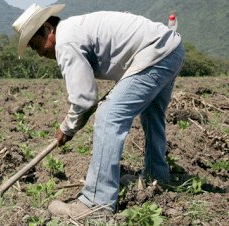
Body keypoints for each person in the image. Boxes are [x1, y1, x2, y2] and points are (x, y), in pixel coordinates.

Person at [12, 3, 185, 220]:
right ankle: (156, 176)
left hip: (155, 52)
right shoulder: (74, 29)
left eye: (36, 45)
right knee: (152, 114)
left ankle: (96, 202)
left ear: (48, 29)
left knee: (108, 116)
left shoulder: (66, 41)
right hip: (170, 48)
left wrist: (67, 128)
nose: (39, 53)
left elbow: (85, 100)